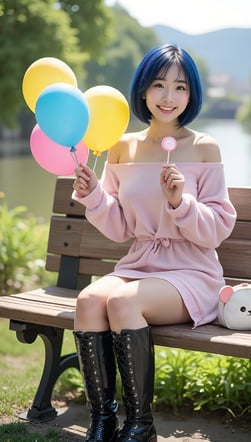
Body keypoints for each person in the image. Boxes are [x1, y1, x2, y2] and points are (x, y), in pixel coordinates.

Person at [72, 43, 237, 442]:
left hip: (192, 272)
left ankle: (140, 425)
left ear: (192, 94)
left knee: (123, 301)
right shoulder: (122, 147)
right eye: (159, 85)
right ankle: (102, 420)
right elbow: (121, 228)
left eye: (180, 88)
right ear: (143, 90)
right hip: (141, 263)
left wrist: (181, 203)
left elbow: (218, 228)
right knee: (89, 300)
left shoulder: (203, 147)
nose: (168, 97)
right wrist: (95, 194)